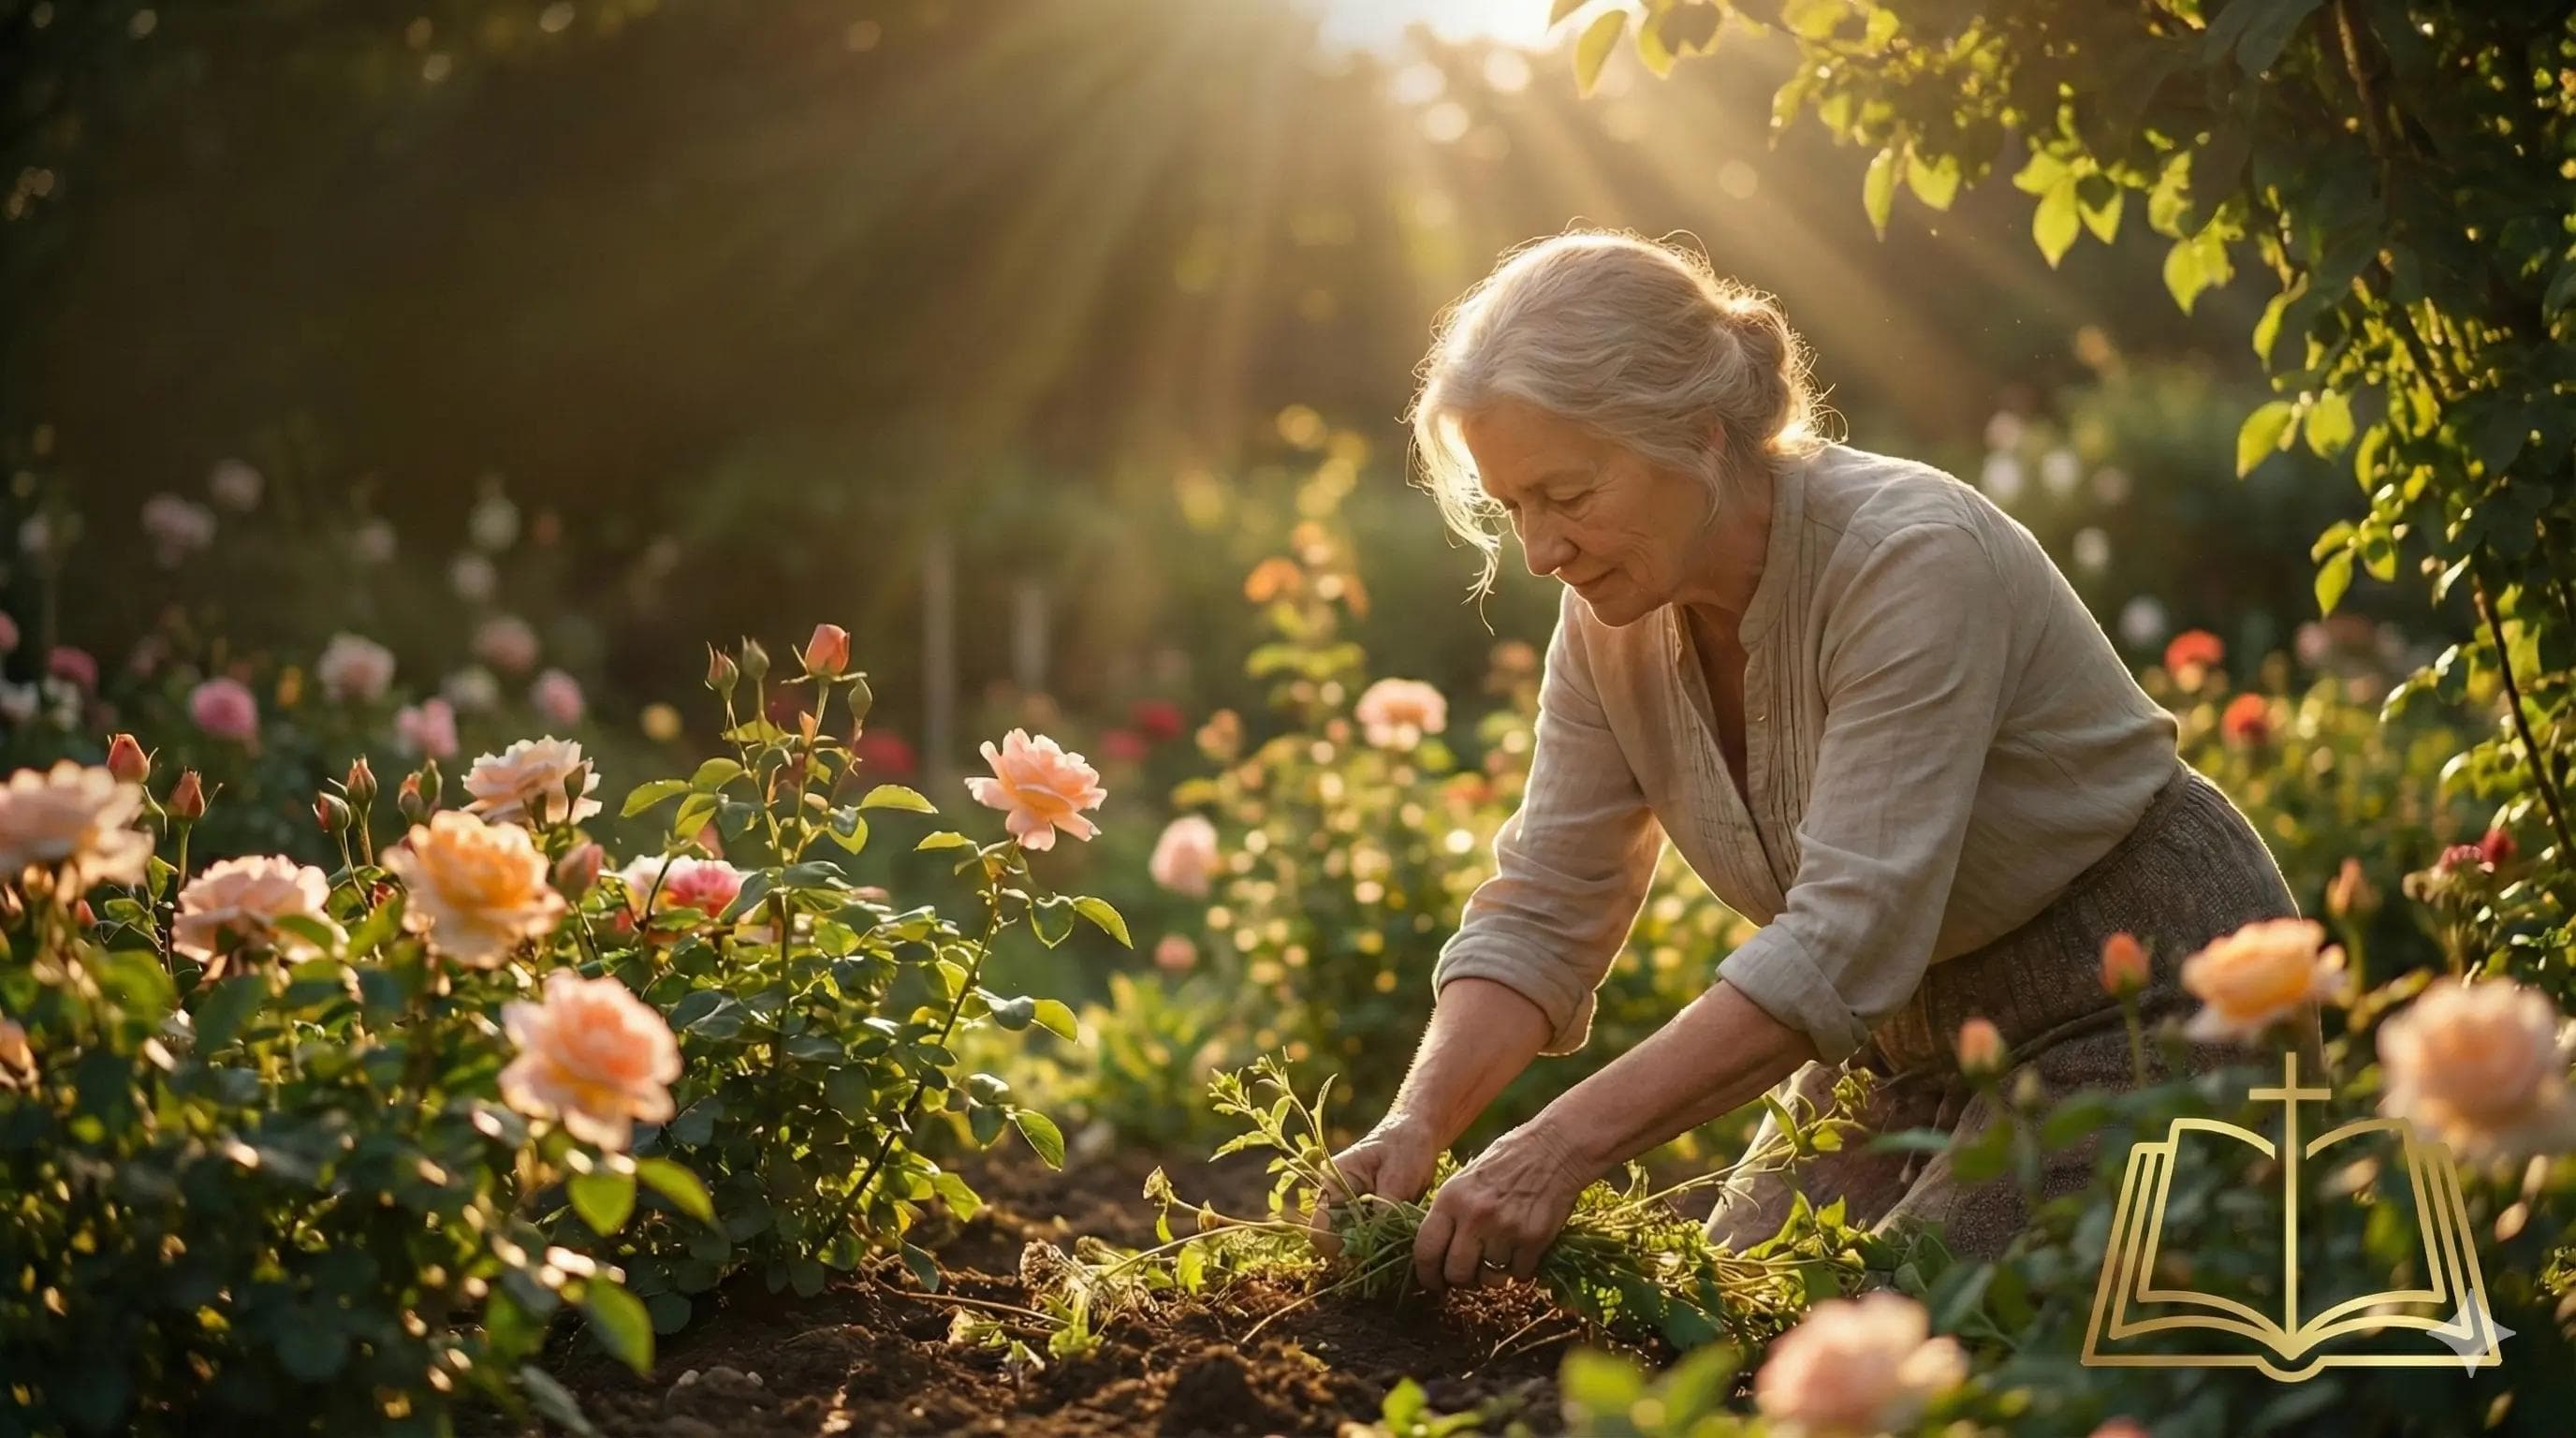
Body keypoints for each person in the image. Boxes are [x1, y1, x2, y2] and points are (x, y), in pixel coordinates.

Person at [1325, 229, 2294, 1292]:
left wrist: (1556, 1149)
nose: (1542, 552)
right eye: (1513, 509)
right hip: (1895, 1043)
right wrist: (1417, 1121)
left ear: (1695, 435)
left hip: (2142, 1006)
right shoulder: (1610, 617)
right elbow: (1546, 903)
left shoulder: (1905, 557)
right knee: (1723, 1331)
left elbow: (1844, 936)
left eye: (1565, 494)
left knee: (1892, 1358)